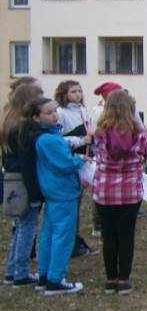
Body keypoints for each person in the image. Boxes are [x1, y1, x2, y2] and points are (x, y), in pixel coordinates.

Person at [91, 90, 147, 294]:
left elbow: (95, 153)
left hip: (105, 190)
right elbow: (145, 156)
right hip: (129, 190)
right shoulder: (140, 133)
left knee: (109, 235)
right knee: (126, 235)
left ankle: (111, 279)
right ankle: (124, 279)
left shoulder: (99, 132)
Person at [32, 97, 88, 295]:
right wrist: (80, 159)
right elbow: (64, 163)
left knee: (49, 233)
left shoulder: (47, 137)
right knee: (62, 235)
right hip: (62, 191)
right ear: (36, 117)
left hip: (54, 191)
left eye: (54, 111)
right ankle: (55, 279)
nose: (54, 115)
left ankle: (44, 275)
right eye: (48, 113)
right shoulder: (48, 140)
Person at [1, 83, 44, 287]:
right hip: (24, 181)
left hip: (11, 178)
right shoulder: (23, 127)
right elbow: (27, 162)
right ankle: (20, 272)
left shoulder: (8, 122)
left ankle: (12, 269)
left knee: (19, 226)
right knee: (27, 227)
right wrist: (35, 193)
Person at [54, 80, 100, 251]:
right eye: (73, 91)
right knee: (72, 201)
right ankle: (70, 240)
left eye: (79, 91)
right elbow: (57, 141)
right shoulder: (60, 113)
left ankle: (74, 237)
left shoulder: (82, 110)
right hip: (72, 159)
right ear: (64, 94)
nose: (78, 94)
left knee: (79, 199)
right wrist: (81, 140)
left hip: (86, 158)